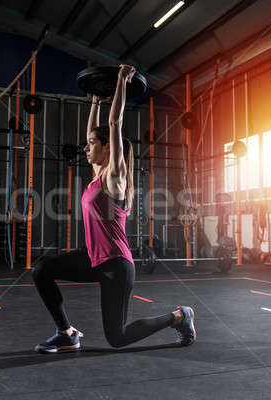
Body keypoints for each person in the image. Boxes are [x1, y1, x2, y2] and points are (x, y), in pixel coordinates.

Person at [32, 64, 195, 353]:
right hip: (95, 259)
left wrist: (120, 81)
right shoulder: (96, 173)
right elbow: (93, 131)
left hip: (116, 266)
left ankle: (180, 316)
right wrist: (94, 100)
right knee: (42, 269)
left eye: (92, 144)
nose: (86, 148)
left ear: (108, 147)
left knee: (116, 338)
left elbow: (115, 124)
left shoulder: (115, 178)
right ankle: (67, 333)